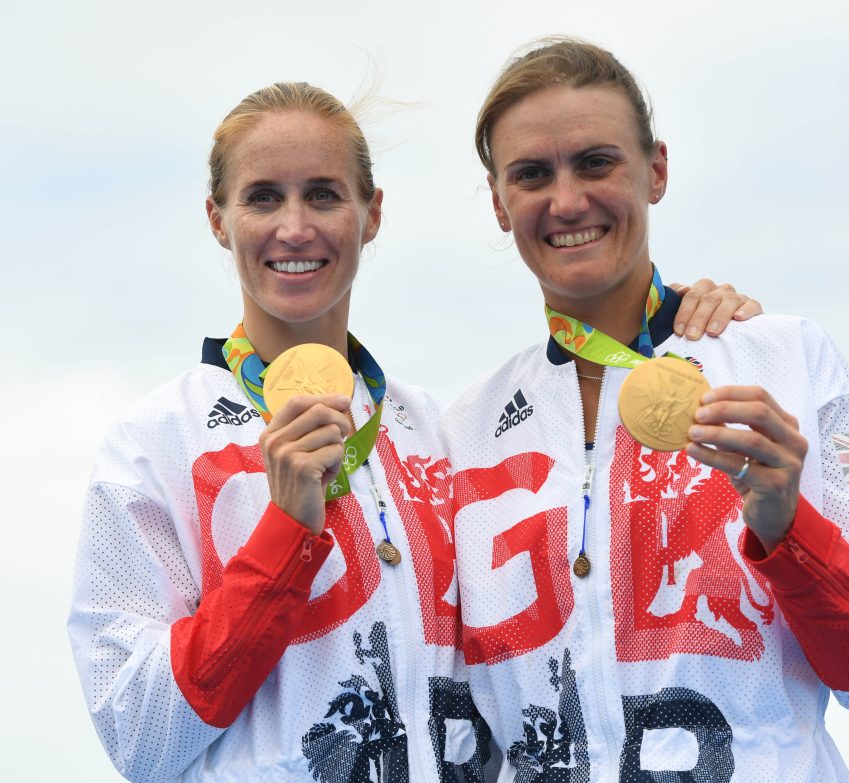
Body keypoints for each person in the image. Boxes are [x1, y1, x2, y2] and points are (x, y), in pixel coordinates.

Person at [67, 82, 759, 782]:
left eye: (326, 194)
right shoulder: (153, 445)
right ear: (218, 218)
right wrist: (281, 538)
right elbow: (139, 734)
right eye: (263, 197)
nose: (296, 226)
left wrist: (684, 317)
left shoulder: (441, 430)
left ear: (372, 215)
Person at [442, 38, 849, 782]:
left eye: (597, 161)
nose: (568, 199)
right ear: (498, 202)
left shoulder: (785, 360)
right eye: (532, 174)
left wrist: (788, 528)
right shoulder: (463, 429)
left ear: (657, 170)